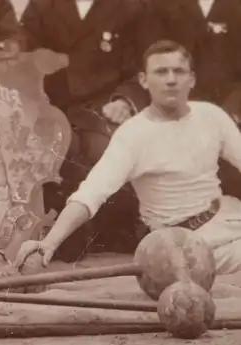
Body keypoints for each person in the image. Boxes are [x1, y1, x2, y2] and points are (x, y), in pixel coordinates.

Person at [14, 40, 241, 275]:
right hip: (182, 245)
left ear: (191, 79)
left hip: (229, 220)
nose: (171, 80)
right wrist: (48, 243)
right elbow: (90, 194)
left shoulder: (211, 116)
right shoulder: (133, 134)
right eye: (161, 72)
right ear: (144, 80)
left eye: (179, 71)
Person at [20, 0, 166, 258]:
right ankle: (56, 239)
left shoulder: (132, 8)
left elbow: (146, 67)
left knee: (104, 150)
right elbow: (22, 58)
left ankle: (112, 236)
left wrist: (124, 100)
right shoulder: (42, 6)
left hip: (104, 105)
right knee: (45, 148)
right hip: (49, 105)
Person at [152, 0, 241, 201]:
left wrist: (232, 110)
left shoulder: (236, 8)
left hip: (232, 112)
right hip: (179, 110)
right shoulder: (161, 8)